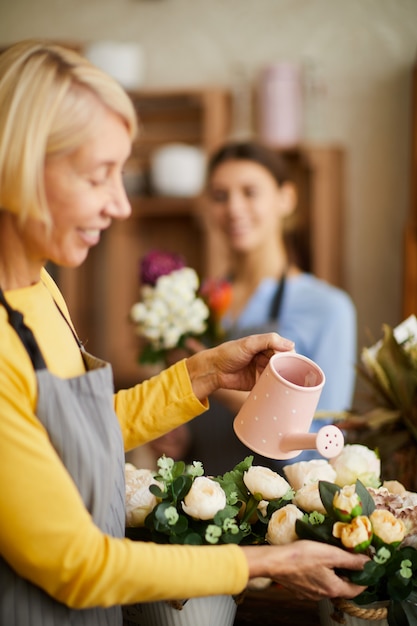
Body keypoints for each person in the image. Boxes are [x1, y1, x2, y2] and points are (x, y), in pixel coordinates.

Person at [0, 40, 367, 626]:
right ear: (17, 162)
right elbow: (76, 564)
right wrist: (258, 563)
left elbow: (83, 437)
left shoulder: (41, 287)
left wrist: (202, 374)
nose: (121, 205)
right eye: (99, 176)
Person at [166, 140, 356, 476]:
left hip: (274, 516)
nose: (234, 208)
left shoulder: (329, 309)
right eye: (220, 196)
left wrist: (214, 379)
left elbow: (318, 449)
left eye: (250, 192)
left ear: (286, 199)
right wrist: (179, 436)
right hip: (197, 507)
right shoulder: (199, 303)